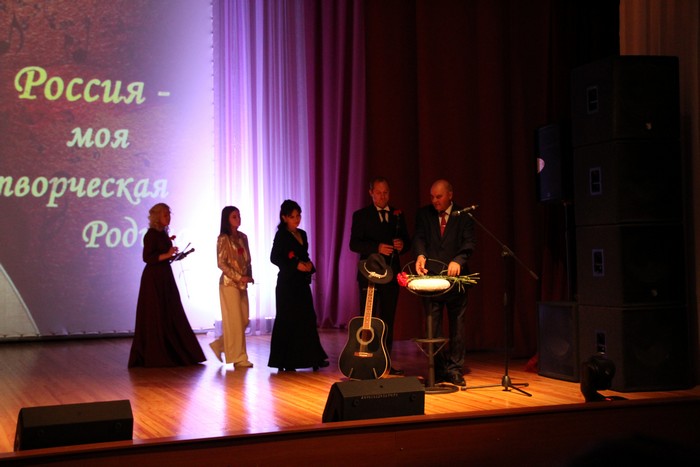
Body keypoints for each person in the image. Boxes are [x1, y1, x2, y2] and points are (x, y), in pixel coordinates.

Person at [413, 179, 475, 386]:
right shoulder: (424, 214)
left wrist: (458, 260)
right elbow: (419, 238)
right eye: (432, 197)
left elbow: (469, 242)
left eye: (438, 197)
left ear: (450, 195)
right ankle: (438, 370)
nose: (434, 201)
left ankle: (455, 369)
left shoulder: (463, 215)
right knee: (434, 327)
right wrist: (420, 255)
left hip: (455, 280)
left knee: (458, 326)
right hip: (431, 280)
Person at [128, 203, 206, 368]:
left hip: (164, 276)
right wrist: (167, 254)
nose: (168, 217)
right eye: (165, 215)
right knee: (156, 313)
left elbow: (164, 257)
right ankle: (157, 353)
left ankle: (176, 351)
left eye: (169, 214)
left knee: (171, 311)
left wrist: (174, 255)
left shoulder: (163, 233)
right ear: (157, 217)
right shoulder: (151, 234)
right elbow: (148, 258)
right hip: (153, 279)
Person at [349, 176, 410, 375]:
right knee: (368, 320)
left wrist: (402, 245)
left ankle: (385, 362)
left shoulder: (397, 215)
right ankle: (365, 362)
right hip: (369, 275)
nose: (383, 197)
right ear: (371, 193)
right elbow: (354, 244)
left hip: (391, 275)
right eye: (378, 193)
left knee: (387, 320)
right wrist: (376, 247)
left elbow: (407, 242)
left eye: (385, 193)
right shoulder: (361, 215)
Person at [268, 199, 329, 371]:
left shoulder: (302, 233)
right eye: (292, 216)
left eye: (298, 216)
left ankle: (313, 358)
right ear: (284, 217)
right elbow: (274, 258)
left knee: (307, 318)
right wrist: (295, 265)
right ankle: (286, 361)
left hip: (301, 283)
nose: (297, 219)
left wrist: (308, 265)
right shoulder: (281, 235)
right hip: (287, 285)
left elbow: (304, 255)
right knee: (288, 320)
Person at [209, 206, 255, 369]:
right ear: (227, 219)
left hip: (242, 284)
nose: (238, 219)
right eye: (234, 216)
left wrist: (248, 276)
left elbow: (247, 260)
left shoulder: (243, 237)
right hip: (229, 284)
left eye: (239, 216)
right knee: (235, 321)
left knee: (243, 319)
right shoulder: (223, 238)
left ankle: (219, 345)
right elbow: (221, 263)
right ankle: (239, 358)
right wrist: (238, 277)